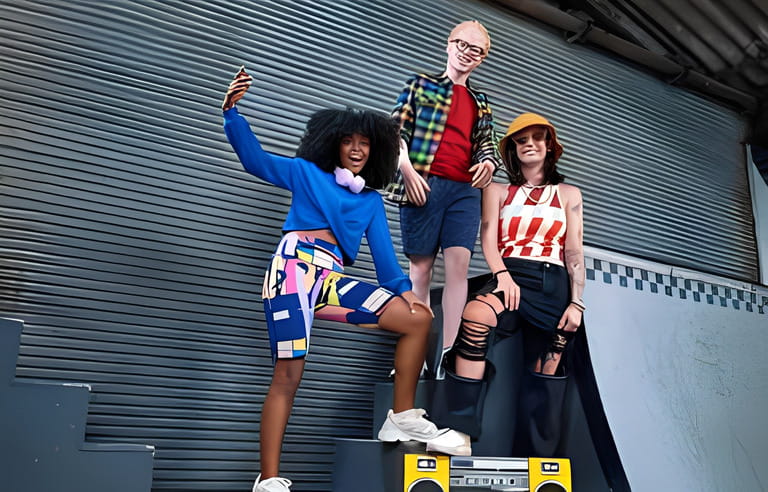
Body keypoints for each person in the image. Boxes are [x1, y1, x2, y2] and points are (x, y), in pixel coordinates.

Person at [221, 67, 468, 492]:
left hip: (331, 279)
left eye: (365, 143)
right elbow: (255, 160)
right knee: (289, 373)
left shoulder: (371, 201)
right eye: (349, 142)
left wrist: (410, 297)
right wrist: (232, 113)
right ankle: (269, 479)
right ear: (334, 145)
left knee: (418, 320)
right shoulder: (305, 173)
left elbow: (388, 267)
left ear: (375, 151)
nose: (356, 149)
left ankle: (401, 418)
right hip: (292, 271)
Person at [431, 112, 585, 457]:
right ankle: (459, 432)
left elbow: (574, 251)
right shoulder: (497, 190)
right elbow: (488, 237)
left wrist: (577, 302)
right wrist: (502, 275)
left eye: (537, 138)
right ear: (512, 149)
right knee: (476, 315)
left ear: (549, 146)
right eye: (520, 140)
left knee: (547, 365)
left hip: (553, 281)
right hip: (510, 273)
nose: (529, 144)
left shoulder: (569, 193)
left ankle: (537, 460)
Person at [385, 21, 501, 371]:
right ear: (449, 45)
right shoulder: (420, 85)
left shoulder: (480, 100)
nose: (468, 53)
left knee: (458, 267)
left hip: (464, 191)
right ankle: (417, 348)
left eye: (476, 50)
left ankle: (449, 352)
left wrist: (489, 163)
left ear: (482, 59)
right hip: (424, 183)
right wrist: (406, 170)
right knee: (420, 270)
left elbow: (487, 143)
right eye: (463, 45)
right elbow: (394, 133)